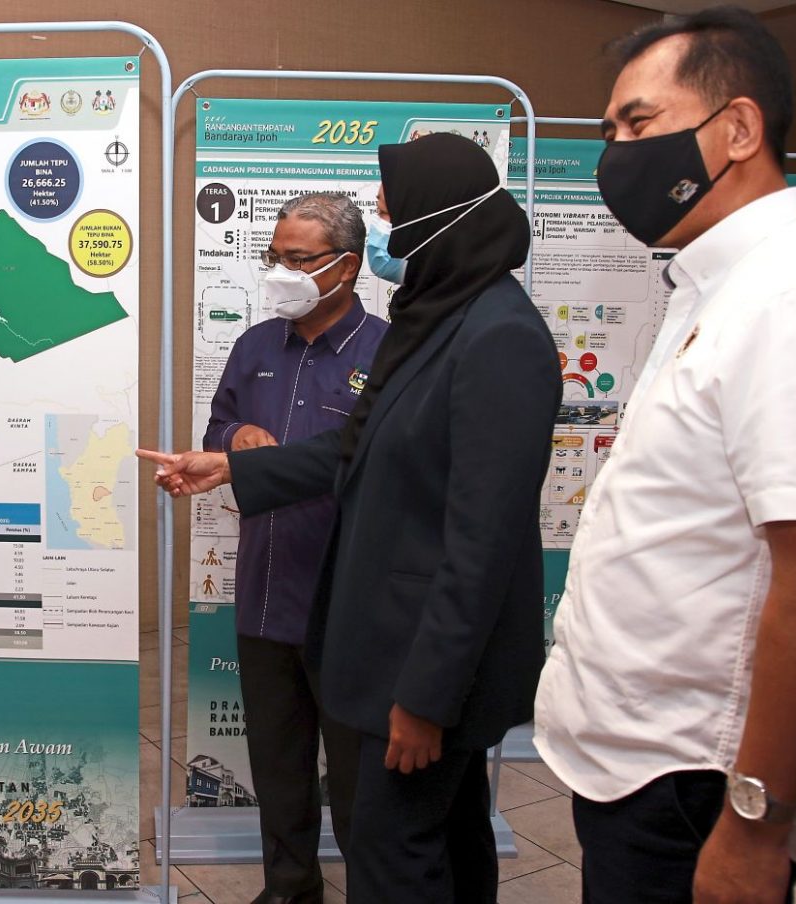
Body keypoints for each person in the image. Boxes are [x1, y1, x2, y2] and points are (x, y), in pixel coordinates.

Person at [142, 132, 562, 903]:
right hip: (364, 625)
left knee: (393, 849)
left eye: (391, 215)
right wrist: (233, 461)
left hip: (417, 655)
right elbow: (351, 446)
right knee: (441, 839)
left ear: (439, 221)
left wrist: (427, 698)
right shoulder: (438, 322)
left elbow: (481, 543)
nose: (385, 232)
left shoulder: (498, 337)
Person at [533, 7, 796, 904]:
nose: (616, 152)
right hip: (636, 764)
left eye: (638, 124)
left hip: (698, 782)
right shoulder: (711, 286)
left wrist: (756, 827)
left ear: (740, 128)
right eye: (610, 131)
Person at [203, 192, 387, 904]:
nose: (282, 271)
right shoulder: (254, 348)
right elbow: (220, 424)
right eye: (274, 257)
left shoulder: (388, 352)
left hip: (346, 609)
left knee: (356, 780)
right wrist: (234, 440)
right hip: (264, 595)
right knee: (277, 769)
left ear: (346, 265)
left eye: (299, 259)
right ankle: (289, 891)